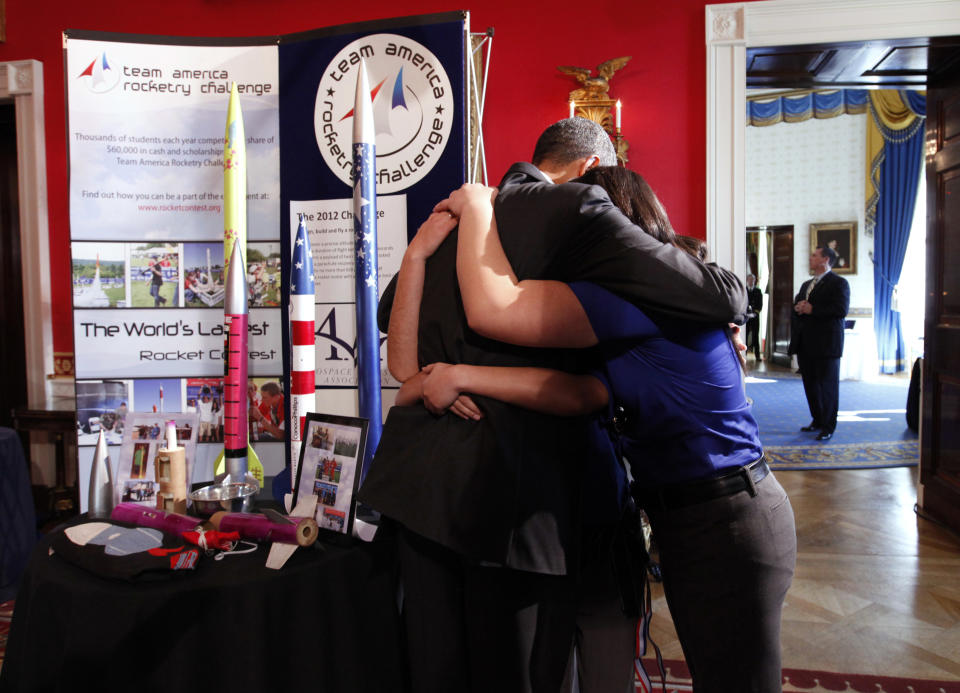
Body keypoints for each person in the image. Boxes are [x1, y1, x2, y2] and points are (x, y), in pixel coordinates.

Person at [359, 118, 748, 692]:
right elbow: (710, 294)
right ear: (594, 169)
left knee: (433, 668)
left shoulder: (457, 218)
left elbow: (401, 363)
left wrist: (440, 354)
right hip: (518, 504)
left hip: (418, 490)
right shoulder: (582, 212)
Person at [418, 167, 796, 692]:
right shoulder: (660, 294)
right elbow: (576, 394)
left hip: (726, 520)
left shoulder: (630, 297)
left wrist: (479, 205)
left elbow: (493, 308)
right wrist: (463, 375)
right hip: (711, 515)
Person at [789, 245, 850, 441]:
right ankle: (817, 419)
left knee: (827, 387)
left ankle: (828, 426)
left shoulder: (839, 283)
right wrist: (798, 307)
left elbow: (840, 310)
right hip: (806, 344)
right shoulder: (807, 284)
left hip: (827, 345)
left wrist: (812, 309)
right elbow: (797, 305)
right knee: (811, 385)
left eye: (814, 255)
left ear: (825, 260)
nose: (811, 258)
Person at [746, 273, 763, 361]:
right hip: (746, 317)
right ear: (747, 280)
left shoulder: (758, 291)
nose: (751, 281)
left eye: (752, 280)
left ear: (754, 281)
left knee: (755, 336)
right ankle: (743, 354)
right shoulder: (744, 290)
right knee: (745, 335)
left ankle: (757, 356)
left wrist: (755, 313)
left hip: (755, 316)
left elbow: (760, 304)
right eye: (749, 279)